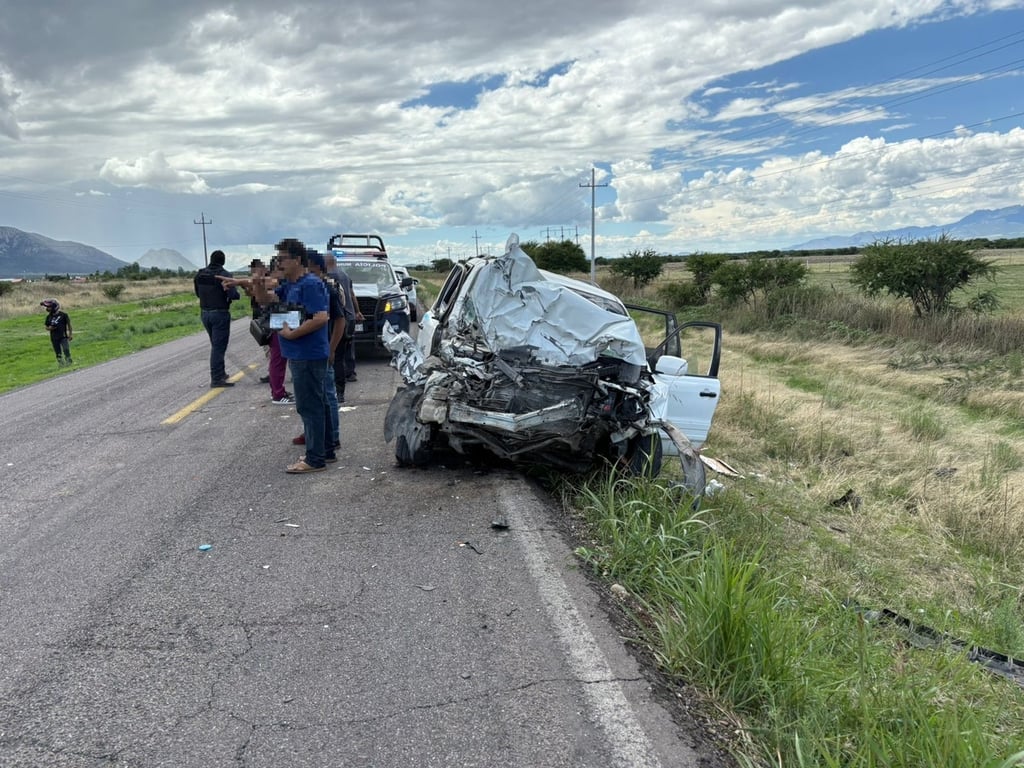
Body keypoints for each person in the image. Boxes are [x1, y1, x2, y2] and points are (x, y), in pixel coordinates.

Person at [249, 238, 333, 474]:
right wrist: (257, 284)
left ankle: (315, 459)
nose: (279, 263)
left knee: (310, 406)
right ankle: (325, 450)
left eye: (283, 258)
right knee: (318, 403)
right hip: (300, 353)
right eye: (277, 259)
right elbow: (267, 300)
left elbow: (320, 317)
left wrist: (293, 334)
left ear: (297, 259)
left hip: (307, 354)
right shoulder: (290, 285)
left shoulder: (310, 284)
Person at [296, 249, 346, 451]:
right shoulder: (307, 288)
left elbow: (340, 320)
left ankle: (331, 438)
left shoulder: (326, 288)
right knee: (316, 398)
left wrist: (332, 348)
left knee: (326, 395)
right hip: (310, 351)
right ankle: (317, 435)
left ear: (315, 266)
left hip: (320, 351)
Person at [248, 258, 292, 404]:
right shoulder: (272, 283)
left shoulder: (275, 283)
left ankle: (279, 391)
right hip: (277, 324)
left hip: (279, 323)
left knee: (279, 360)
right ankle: (278, 394)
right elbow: (263, 296)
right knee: (277, 361)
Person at [194, 249, 240, 388]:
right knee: (219, 348)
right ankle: (216, 378)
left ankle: (221, 373)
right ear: (223, 261)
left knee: (216, 345)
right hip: (220, 313)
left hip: (205, 313)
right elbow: (233, 295)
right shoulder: (224, 275)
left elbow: (197, 293)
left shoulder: (200, 274)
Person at [324, 251, 357, 401]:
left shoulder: (330, 277)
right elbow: (352, 294)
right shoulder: (344, 275)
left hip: (336, 320)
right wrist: (357, 311)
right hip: (349, 318)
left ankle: (338, 391)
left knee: (334, 356)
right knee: (343, 354)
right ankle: (345, 381)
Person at [40, 299, 73, 366]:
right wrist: (50, 328)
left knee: (66, 349)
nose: (48, 309)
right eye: (47, 307)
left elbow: (69, 325)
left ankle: (69, 361)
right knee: (58, 352)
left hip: (63, 336)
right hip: (54, 338)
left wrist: (70, 334)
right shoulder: (49, 317)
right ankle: (61, 364)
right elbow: (46, 327)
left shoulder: (63, 315)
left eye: (49, 307)